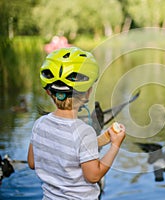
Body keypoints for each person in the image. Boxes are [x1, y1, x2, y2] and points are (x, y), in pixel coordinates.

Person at [27, 47, 126, 199]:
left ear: (48, 91)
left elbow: (33, 162)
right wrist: (115, 145)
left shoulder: (40, 124)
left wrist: (105, 138)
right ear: (88, 92)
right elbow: (93, 176)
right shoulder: (83, 132)